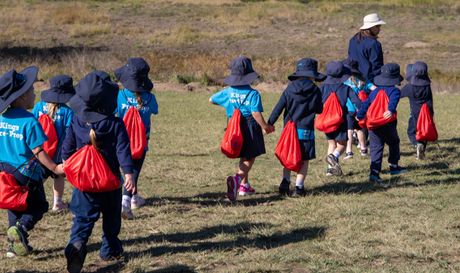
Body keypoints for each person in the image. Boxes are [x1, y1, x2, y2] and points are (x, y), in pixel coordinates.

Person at [62, 71, 135, 273]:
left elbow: (66, 148)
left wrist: (66, 165)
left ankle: (77, 244)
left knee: (83, 219)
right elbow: (123, 150)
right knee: (111, 219)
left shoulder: (77, 121)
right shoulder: (115, 123)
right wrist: (128, 173)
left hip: (84, 183)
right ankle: (110, 249)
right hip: (110, 182)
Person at [0, 67, 64, 257]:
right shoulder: (30, 120)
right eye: (30, 91)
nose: (34, 93)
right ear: (20, 98)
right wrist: (54, 167)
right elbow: (38, 151)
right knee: (39, 206)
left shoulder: (2, 117)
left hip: (4, 170)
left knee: (14, 205)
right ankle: (21, 229)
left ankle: (14, 247)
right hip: (25, 172)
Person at [209, 56, 274, 201]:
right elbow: (255, 113)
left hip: (233, 125)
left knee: (244, 154)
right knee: (249, 157)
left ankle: (245, 186)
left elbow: (211, 99)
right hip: (250, 126)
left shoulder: (228, 91)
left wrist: (228, 105)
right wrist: (266, 127)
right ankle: (237, 180)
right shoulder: (253, 93)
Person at [268, 58, 324, 196]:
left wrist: (269, 123)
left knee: (288, 155)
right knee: (304, 159)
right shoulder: (315, 90)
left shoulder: (289, 88)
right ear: (312, 75)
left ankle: (285, 182)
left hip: (289, 130)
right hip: (306, 130)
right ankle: (299, 187)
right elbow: (319, 110)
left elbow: (278, 108)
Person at [115, 57, 158, 220]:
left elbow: (114, 112)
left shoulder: (119, 95)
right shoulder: (150, 98)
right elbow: (155, 110)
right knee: (133, 171)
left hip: (120, 140)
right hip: (141, 141)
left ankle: (133, 197)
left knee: (126, 169)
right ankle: (125, 201)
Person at [356, 63, 407, 186]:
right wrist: (390, 109)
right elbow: (394, 100)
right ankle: (394, 166)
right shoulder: (395, 91)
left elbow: (366, 103)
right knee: (394, 142)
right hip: (388, 123)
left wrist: (360, 115)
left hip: (373, 125)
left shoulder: (374, 91)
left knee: (376, 148)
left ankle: (374, 173)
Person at [32, 75, 75, 212]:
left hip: (41, 152)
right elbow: (70, 134)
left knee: (39, 178)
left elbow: (32, 125)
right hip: (59, 154)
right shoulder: (68, 111)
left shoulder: (39, 106)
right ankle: (57, 203)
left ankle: (31, 199)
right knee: (58, 176)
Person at [320, 61, 362, 176]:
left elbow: (316, 102)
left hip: (327, 119)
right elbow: (357, 102)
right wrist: (362, 113)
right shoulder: (346, 88)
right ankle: (334, 156)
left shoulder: (322, 87)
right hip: (341, 119)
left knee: (331, 143)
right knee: (342, 144)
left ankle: (330, 170)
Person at [401, 61, 434, 160]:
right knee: (425, 131)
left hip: (415, 113)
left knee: (411, 131)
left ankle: (417, 144)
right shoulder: (427, 86)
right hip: (428, 112)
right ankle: (422, 148)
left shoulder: (409, 87)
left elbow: (399, 94)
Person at [342, 58, 373, 159]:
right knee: (360, 129)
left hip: (349, 109)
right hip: (361, 109)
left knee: (349, 130)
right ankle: (363, 149)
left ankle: (349, 151)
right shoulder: (363, 80)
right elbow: (374, 88)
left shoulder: (345, 81)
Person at [348, 13, 386, 83]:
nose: (379, 29)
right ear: (371, 27)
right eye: (377, 26)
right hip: (369, 82)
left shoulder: (353, 40)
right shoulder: (374, 44)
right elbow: (376, 67)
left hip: (354, 80)